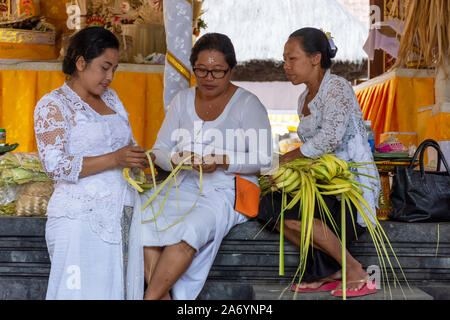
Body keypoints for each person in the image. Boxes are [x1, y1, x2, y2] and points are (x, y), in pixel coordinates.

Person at [126, 33, 273, 300]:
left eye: (217, 71)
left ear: (232, 69)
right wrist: (174, 159)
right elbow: (158, 148)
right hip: (182, 184)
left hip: (228, 190)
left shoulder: (248, 104)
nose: (208, 78)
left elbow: (265, 158)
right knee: (142, 219)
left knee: (191, 229)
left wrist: (223, 160)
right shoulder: (182, 100)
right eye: (201, 70)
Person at [257, 27, 380, 297]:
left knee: (291, 212)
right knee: (268, 207)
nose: (286, 66)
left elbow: (330, 138)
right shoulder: (303, 98)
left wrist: (287, 159)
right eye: (284, 59)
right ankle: (328, 271)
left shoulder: (337, 87)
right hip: (322, 181)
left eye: (292, 59)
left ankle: (356, 271)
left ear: (315, 58)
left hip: (349, 185)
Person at [34, 27, 148, 299]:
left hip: (122, 212)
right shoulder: (53, 105)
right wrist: (115, 159)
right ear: (81, 62)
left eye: (114, 70)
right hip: (79, 218)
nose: (110, 77)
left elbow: (126, 144)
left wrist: (141, 158)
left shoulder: (112, 99)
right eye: (104, 67)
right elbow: (55, 166)